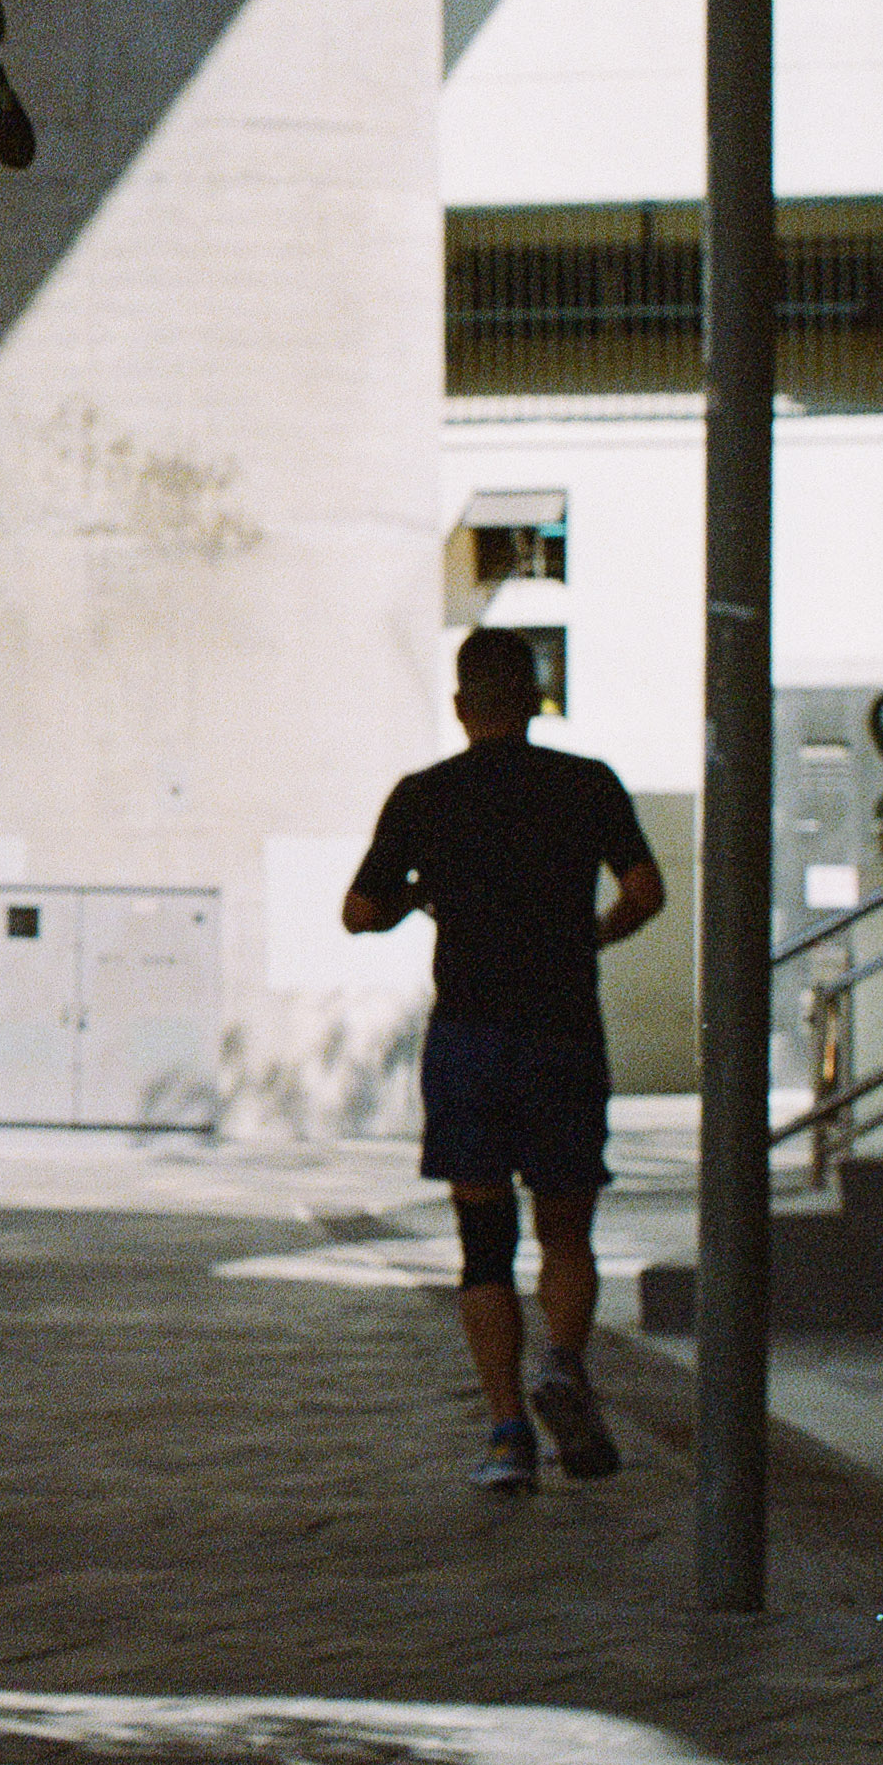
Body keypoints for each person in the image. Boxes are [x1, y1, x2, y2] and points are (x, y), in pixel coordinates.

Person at [343, 628, 668, 1493]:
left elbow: (356, 911)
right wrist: (596, 933)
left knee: (482, 1245)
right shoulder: (586, 784)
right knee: (566, 1229)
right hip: (561, 1033)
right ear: (533, 698)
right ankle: (561, 1362)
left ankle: (503, 1433)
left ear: (460, 706)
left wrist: (420, 894)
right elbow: (646, 891)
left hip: (468, 1042)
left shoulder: (423, 796)